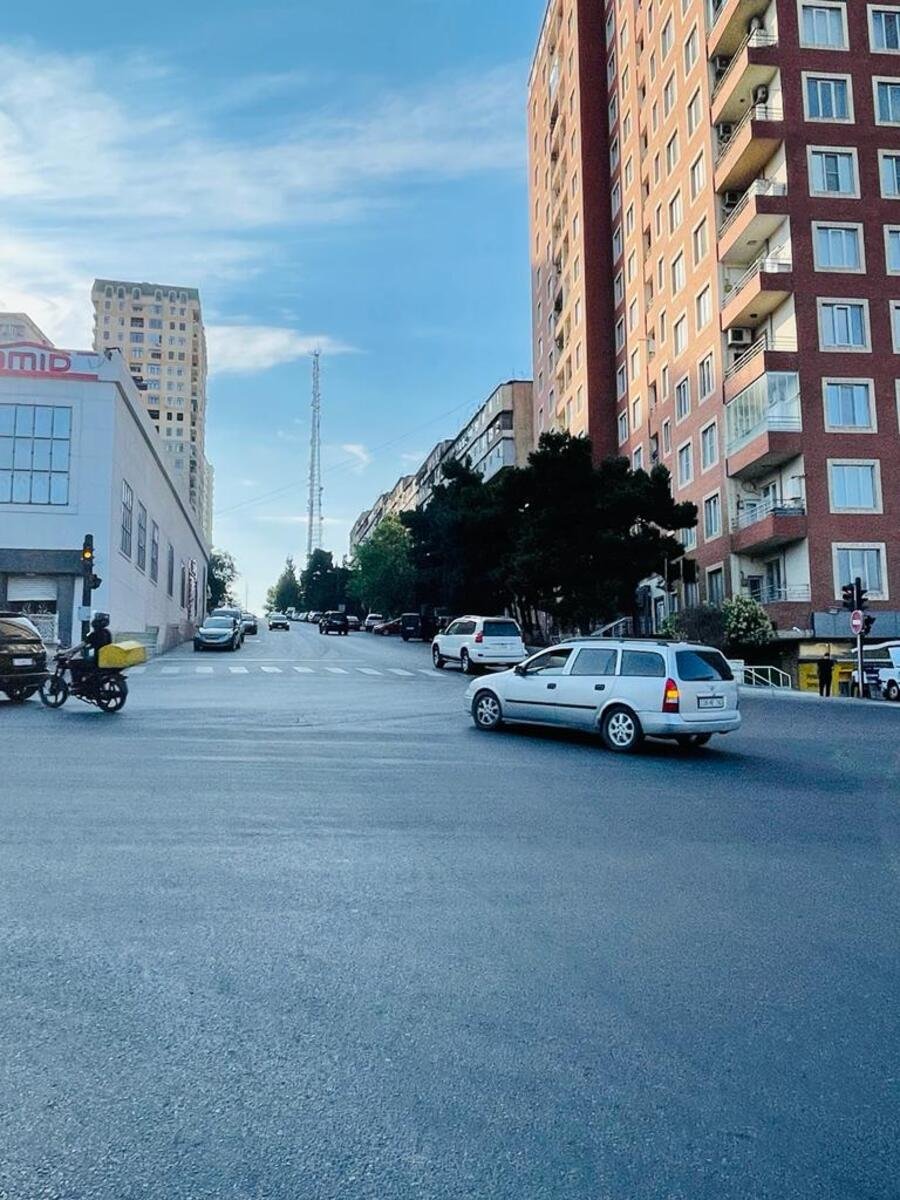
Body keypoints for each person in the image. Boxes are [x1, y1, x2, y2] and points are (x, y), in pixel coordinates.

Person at [69, 613, 113, 686]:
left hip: (96, 661)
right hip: (105, 660)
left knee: (73, 663)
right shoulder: (107, 632)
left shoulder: (94, 634)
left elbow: (80, 646)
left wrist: (68, 652)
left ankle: (76, 683)